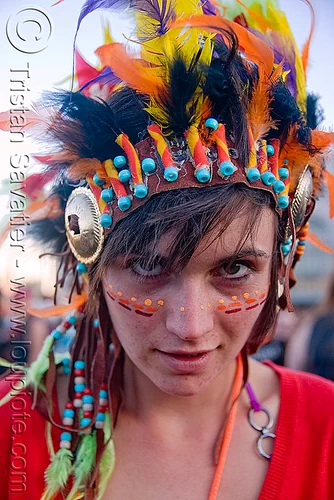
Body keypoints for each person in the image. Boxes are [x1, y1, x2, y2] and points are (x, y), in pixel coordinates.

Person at [0, 1, 334, 499]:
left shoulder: (326, 427)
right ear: (91, 264)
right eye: (147, 266)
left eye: (236, 268)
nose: (191, 327)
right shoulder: (11, 428)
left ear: (280, 267)